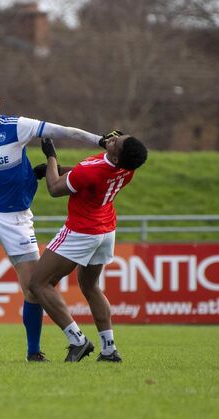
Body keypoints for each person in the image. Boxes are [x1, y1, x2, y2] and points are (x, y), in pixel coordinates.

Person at [0, 81, 114, 363]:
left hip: (17, 218)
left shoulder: (17, 127)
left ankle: (33, 352)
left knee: (32, 288)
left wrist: (100, 141)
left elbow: (65, 132)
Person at [29, 136, 146, 362]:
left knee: (38, 284)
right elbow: (87, 172)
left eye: (115, 143)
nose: (111, 139)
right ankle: (109, 349)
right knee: (90, 285)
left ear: (114, 156)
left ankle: (78, 340)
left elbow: (55, 188)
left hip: (82, 231)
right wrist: (58, 169)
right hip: (106, 230)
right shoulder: (128, 167)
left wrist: (51, 156)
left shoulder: (95, 170)